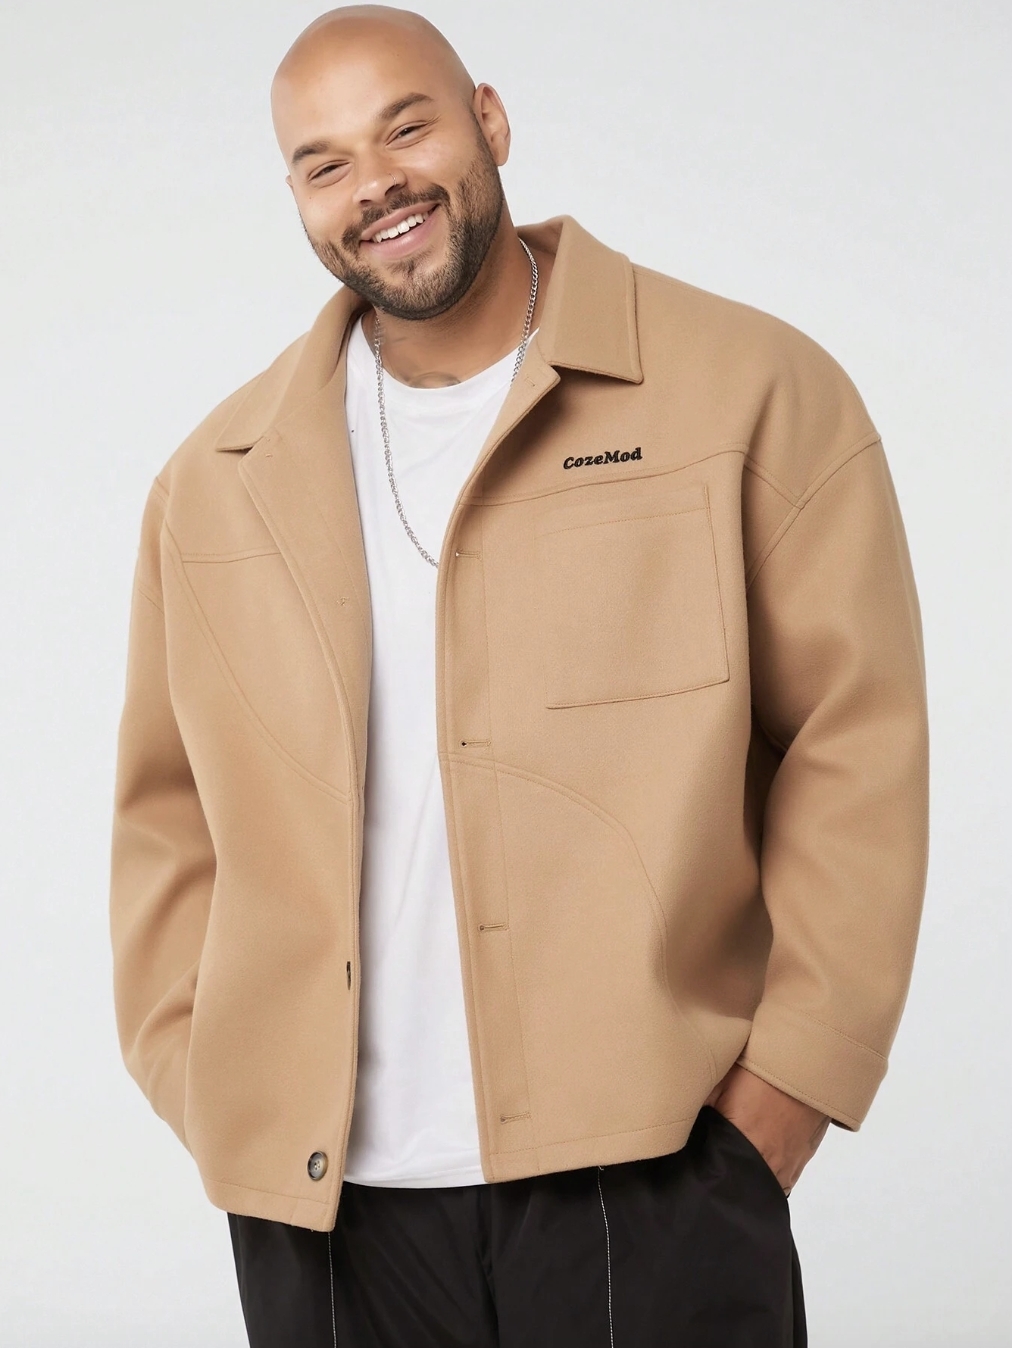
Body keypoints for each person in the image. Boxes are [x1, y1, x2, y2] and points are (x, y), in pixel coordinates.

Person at [109, 6, 929, 1346]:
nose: (375, 185)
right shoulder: (216, 482)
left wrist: (784, 1096)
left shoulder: (746, 389)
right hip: (326, 1217)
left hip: (653, 1176)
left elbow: (858, 747)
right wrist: (208, 1087)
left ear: (488, 118)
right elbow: (169, 814)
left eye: (407, 127)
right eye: (324, 162)